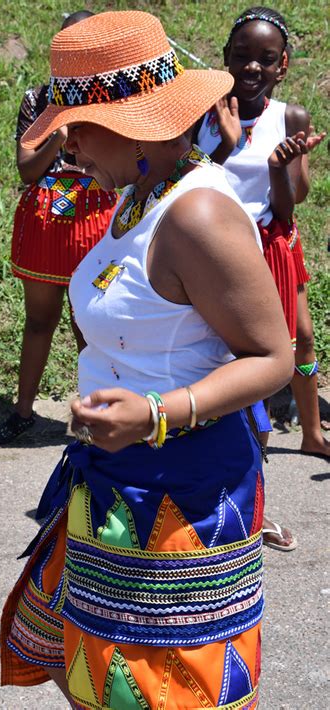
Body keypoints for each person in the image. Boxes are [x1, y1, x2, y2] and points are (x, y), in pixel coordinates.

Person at [0, 11, 294, 708]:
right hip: (112, 480)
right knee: (102, 683)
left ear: (136, 122)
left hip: (182, 495)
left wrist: (158, 412)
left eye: (76, 125)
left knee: (169, 688)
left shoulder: (197, 215)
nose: (65, 144)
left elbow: (273, 357)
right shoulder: (136, 199)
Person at [195, 6, 328, 550]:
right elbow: (185, 184)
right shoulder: (200, 114)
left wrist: (278, 168)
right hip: (216, 251)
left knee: (300, 339)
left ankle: (314, 431)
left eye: (265, 60)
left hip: (272, 244)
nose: (252, 67)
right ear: (225, 59)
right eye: (242, 56)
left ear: (283, 66)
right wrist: (225, 144)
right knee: (238, 364)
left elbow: (293, 202)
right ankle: (246, 489)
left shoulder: (288, 118)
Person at [0, 10, 118, 445]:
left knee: (91, 323)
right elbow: (27, 169)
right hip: (48, 218)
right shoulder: (38, 98)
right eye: (65, 48)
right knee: (38, 320)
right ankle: (23, 412)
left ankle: (97, 416)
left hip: (95, 218)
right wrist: (59, 137)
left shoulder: (111, 99)